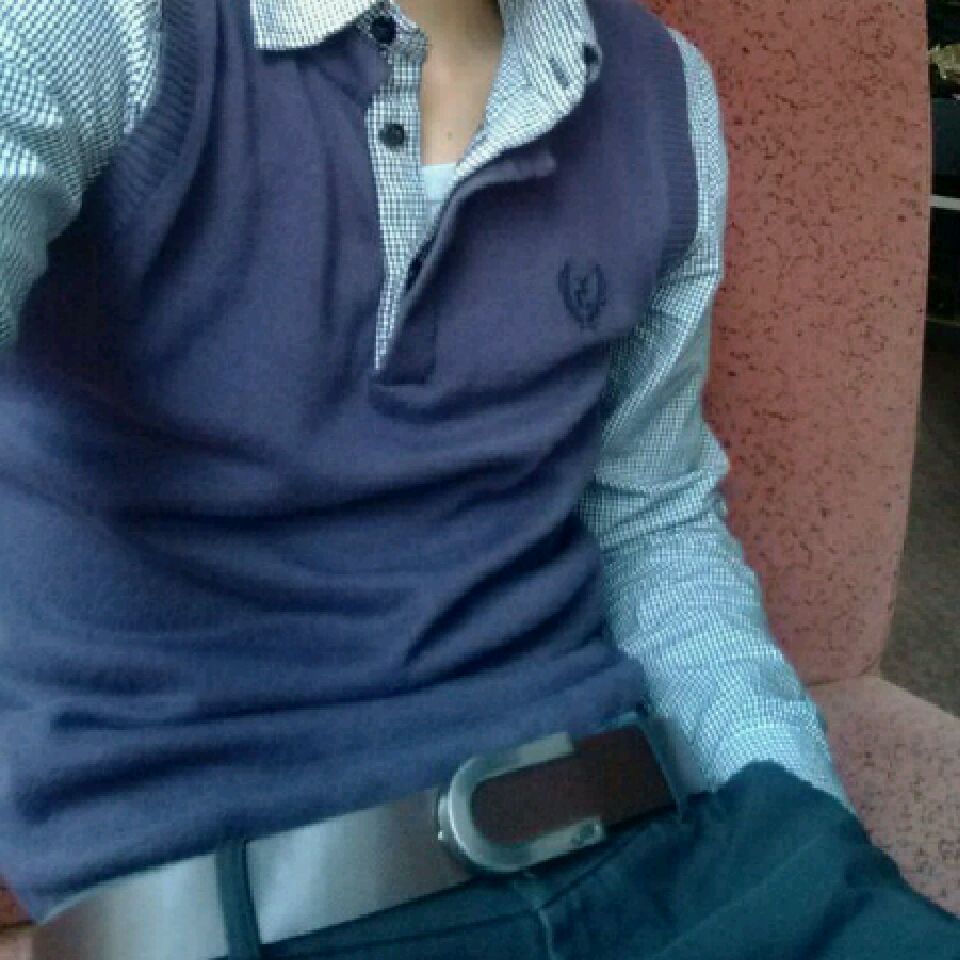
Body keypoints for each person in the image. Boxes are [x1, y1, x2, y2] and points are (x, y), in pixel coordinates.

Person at [0, 0, 956, 957]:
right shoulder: (96, 26)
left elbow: (652, 523)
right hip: (234, 905)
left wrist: (802, 841)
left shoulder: (665, 91)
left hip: (653, 845)